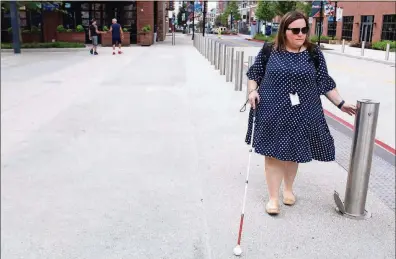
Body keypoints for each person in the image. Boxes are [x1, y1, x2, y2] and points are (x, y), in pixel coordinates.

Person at [245, 11, 357, 216]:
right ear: (284, 31)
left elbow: (324, 82)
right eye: (295, 30)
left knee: (293, 152)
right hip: (272, 111)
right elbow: (255, 74)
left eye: (304, 30)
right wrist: (252, 91)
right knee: (272, 154)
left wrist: (341, 103)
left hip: (302, 112)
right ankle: (273, 198)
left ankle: (288, 189)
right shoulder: (270, 50)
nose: (301, 34)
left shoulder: (313, 53)